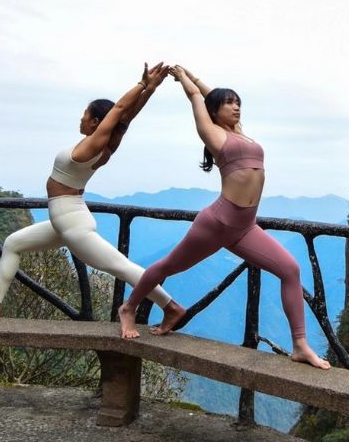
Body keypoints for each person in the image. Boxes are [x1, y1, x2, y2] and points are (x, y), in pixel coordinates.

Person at [117, 65, 330, 369]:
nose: (236, 107)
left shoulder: (239, 133)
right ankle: (129, 307)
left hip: (245, 228)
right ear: (215, 111)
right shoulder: (213, 134)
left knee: (290, 270)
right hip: (217, 224)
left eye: (238, 102)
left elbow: (212, 96)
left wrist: (205, 84)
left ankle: (300, 345)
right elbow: (198, 96)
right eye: (229, 103)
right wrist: (185, 78)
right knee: (169, 266)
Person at [0, 63, 186, 329]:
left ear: (96, 122)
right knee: (13, 243)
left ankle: (171, 307)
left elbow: (121, 110)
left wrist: (142, 84)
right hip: (66, 218)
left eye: (85, 114)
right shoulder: (105, 145)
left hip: (71, 223)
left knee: (121, 267)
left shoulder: (91, 147)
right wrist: (150, 89)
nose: (81, 119)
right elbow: (125, 118)